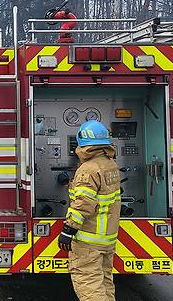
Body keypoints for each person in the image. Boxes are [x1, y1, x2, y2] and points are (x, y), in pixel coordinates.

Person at [58, 120, 121, 301]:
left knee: (89, 284)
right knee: (104, 281)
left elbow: (83, 204)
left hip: (88, 239)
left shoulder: (88, 169)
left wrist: (68, 230)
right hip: (107, 238)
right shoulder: (110, 165)